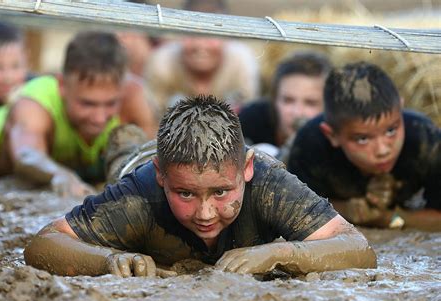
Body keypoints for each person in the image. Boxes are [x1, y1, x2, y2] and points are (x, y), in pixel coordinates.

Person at [24, 95, 376, 278]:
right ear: (162, 177)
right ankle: (129, 141)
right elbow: (43, 243)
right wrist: (108, 260)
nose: (205, 213)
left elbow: (358, 248)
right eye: (186, 194)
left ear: (247, 170)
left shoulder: (268, 182)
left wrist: (280, 253)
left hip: (228, 151)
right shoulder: (140, 194)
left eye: (221, 192)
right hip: (138, 161)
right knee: (124, 154)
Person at [0, 31, 127, 197]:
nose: (99, 118)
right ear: (61, 86)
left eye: (111, 103)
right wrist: (60, 175)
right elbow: (26, 155)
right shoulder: (34, 104)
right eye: (87, 104)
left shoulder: (133, 97)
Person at [287, 62, 441, 231]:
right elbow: (294, 208)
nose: (383, 150)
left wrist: (389, 218)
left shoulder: (425, 139)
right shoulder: (310, 145)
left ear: (401, 110)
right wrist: (345, 210)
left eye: (391, 130)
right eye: (362, 139)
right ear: (332, 135)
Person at [144, 0, 259, 119]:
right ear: (179, 34)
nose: (201, 45)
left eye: (211, 34)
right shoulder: (162, 63)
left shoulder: (241, 62)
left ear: (226, 37)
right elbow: (153, 122)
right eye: (191, 33)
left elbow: (246, 121)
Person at [239, 51, 331, 161]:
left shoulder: (336, 140)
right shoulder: (249, 121)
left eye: (310, 103)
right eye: (288, 100)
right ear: (274, 100)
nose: (297, 113)